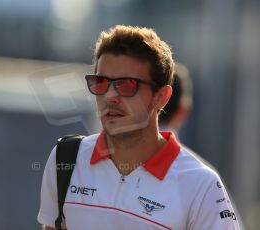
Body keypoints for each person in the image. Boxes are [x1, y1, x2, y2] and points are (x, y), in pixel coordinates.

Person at [37, 25, 241, 229]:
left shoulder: (201, 185)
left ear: (161, 97)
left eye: (126, 85)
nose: (110, 96)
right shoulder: (65, 158)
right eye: (101, 82)